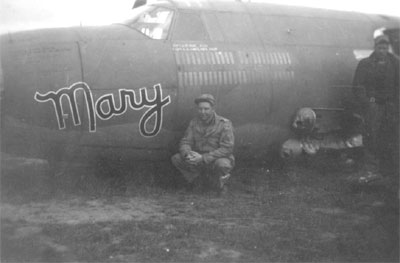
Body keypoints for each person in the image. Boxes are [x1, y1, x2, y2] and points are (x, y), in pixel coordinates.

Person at [352, 34, 399, 182]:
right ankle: (372, 170)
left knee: (392, 137)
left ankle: (391, 170)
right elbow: (358, 86)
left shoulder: (395, 63)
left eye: (385, 48)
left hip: (391, 106)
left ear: (388, 48)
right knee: (372, 137)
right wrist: (367, 102)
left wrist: (396, 102)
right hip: (373, 107)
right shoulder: (365, 64)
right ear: (375, 48)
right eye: (379, 47)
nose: (382, 50)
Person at [171, 94, 235, 194]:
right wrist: (188, 154)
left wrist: (203, 157)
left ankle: (221, 185)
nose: (203, 112)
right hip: (198, 158)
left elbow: (227, 148)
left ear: (213, 109)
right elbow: (186, 141)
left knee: (223, 164)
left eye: (206, 109)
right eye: (200, 109)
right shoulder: (194, 122)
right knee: (177, 158)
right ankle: (197, 182)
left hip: (215, 158)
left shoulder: (224, 124)